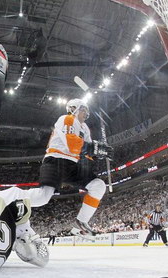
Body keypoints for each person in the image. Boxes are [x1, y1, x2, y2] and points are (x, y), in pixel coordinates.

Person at [33, 98, 112, 237]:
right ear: (74, 109)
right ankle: (14, 201)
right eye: (83, 109)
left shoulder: (84, 128)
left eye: (87, 110)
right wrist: (93, 148)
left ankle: (80, 223)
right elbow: (73, 145)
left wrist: (100, 152)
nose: (86, 113)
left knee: (98, 186)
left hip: (71, 164)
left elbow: (86, 151)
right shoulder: (66, 119)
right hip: (55, 160)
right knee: (43, 197)